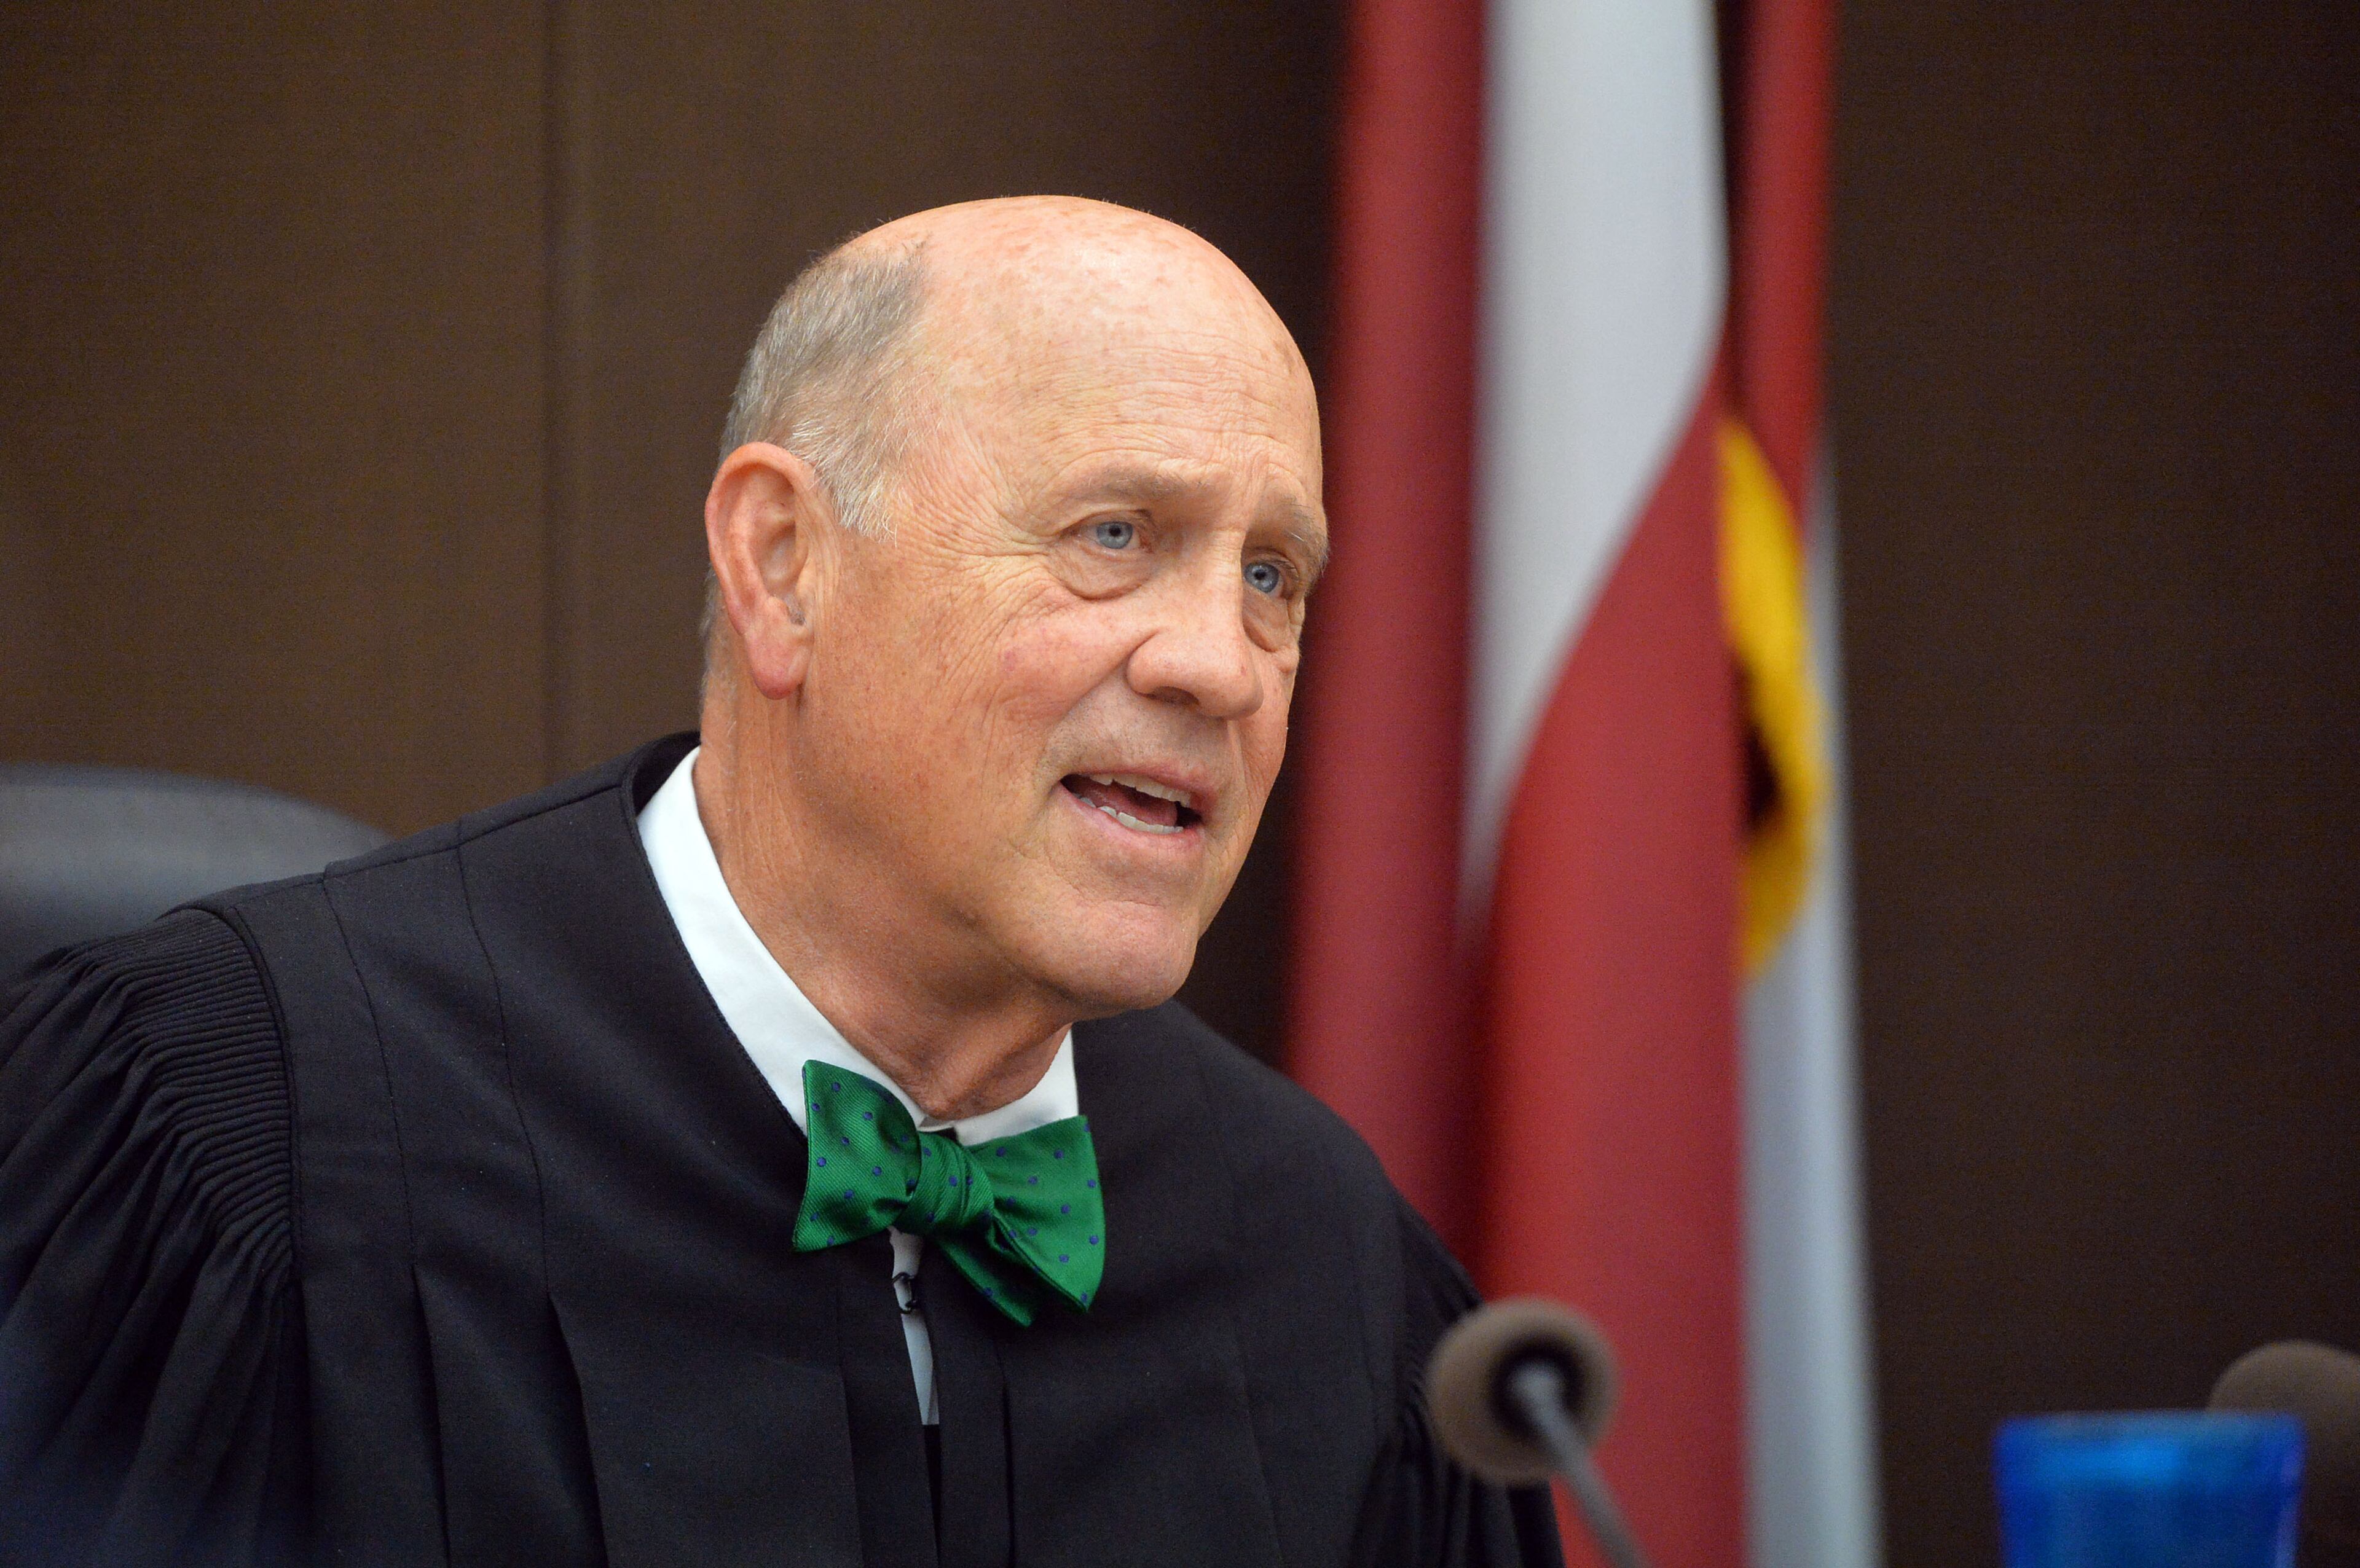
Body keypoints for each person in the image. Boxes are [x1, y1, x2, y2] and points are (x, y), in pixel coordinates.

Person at [0, 197, 1559, 1567]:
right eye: (1115, 534)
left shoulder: (1323, 1264)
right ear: (783, 564)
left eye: (1273, 576)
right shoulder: (247, 1138)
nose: (1220, 661)